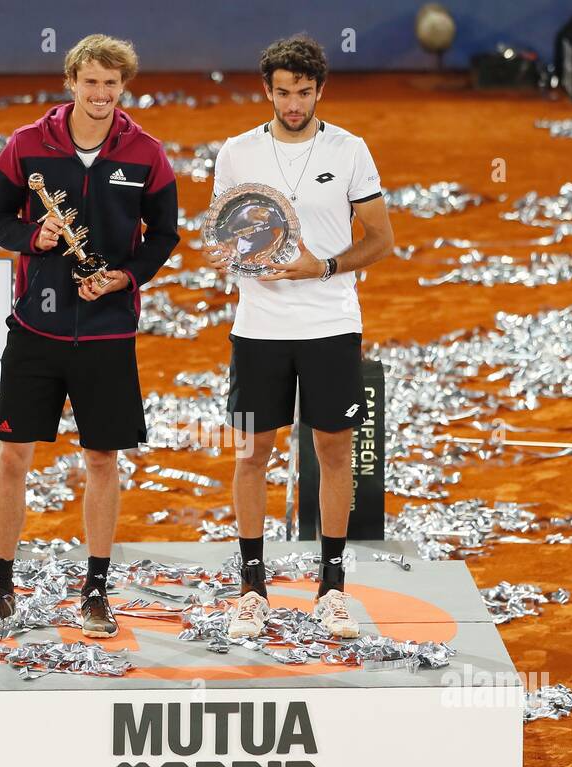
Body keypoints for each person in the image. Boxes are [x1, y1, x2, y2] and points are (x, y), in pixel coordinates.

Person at [0, 34, 179, 636]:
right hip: (35, 329)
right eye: (90, 82)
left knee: (101, 458)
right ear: (72, 83)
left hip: (107, 334)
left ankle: (95, 589)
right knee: (13, 456)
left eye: (111, 84)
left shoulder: (146, 153)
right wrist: (29, 239)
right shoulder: (26, 146)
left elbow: (164, 235)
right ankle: (0, 585)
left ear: (124, 88)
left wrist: (125, 277)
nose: (100, 94)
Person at [209, 34, 394, 640]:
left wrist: (325, 266)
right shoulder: (237, 153)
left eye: (305, 92)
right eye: (284, 93)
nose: (294, 104)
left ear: (320, 90)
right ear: (267, 91)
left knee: (333, 452)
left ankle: (333, 589)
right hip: (258, 327)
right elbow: (225, 233)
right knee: (249, 454)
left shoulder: (349, 150)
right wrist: (232, 257)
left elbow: (380, 239)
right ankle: (251, 588)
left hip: (330, 325)